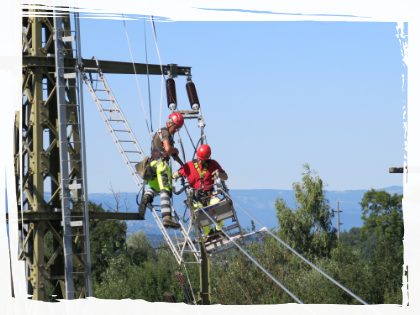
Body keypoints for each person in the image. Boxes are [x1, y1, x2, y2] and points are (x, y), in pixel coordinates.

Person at [138, 112, 185, 229]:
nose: (176, 130)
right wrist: (176, 150)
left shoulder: (160, 134)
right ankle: (167, 218)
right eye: (176, 127)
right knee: (165, 188)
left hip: (152, 164)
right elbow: (169, 150)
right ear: (169, 123)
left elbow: (172, 154)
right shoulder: (165, 132)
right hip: (161, 165)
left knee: (156, 188)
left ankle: (146, 198)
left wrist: (183, 166)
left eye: (178, 128)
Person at [172, 144, 228, 238]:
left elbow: (225, 176)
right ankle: (208, 234)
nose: (199, 160)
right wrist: (176, 174)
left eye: (202, 159)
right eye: (198, 158)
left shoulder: (213, 164)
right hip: (197, 198)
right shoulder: (189, 166)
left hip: (210, 195)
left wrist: (219, 174)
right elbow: (176, 174)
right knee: (199, 214)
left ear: (207, 158)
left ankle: (219, 230)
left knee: (217, 206)